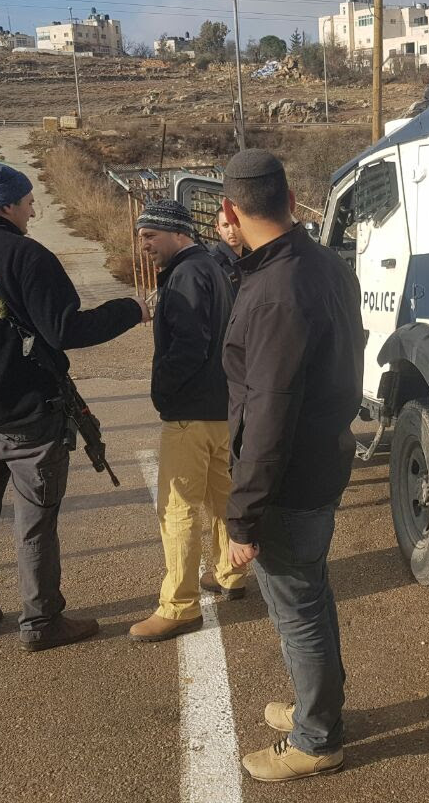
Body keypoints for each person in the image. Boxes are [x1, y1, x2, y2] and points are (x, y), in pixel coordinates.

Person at [0, 157, 150, 650]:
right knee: (34, 519)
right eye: (30, 202)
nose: (34, 212)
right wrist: (130, 309)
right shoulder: (26, 257)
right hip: (30, 420)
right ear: (8, 205)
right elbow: (66, 329)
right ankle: (40, 622)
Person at [220, 149, 364, 782]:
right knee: (310, 594)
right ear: (286, 199)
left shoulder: (277, 291)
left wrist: (242, 516)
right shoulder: (321, 264)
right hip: (323, 459)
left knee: (297, 606)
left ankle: (317, 736)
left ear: (230, 209)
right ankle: (320, 706)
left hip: (289, 477)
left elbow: (269, 414)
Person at [128, 199, 242, 643]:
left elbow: (189, 344)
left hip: (191, 415)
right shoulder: (212, 268)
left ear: (178, 233)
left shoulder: (187, 274)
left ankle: (179, 606)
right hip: (221, 409)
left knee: (178, 510)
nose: (144, 245)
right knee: (223, 499)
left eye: (150, 235)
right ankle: (230, 574)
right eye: (141, 237)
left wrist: (164, 393)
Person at [210, 208, 247, 292]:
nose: (232, 231)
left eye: (236, 224)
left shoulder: (255, 257)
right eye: (226, 225)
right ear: (218, 229)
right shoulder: (212, 263)